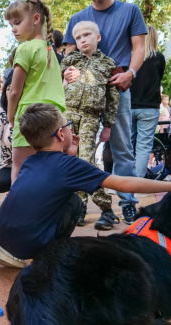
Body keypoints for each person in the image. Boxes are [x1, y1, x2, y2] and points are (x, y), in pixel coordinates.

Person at [0, 103, 171, 268]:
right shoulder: (69, 166)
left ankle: (12, 246)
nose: (71, 129)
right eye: (69, 125)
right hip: (28, 243)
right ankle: (46, 257)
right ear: (61, 134)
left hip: (3, 231)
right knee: (75, 202)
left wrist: (69, 153)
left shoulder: (31, 161)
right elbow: (123, 183)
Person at [63, 0, 147, 224]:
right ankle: (77, 205)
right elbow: (68, 55)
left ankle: (127, 203)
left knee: (121, 149)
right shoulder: (78, 17)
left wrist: (131, 73)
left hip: (116, 84)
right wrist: (66, 73)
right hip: (80, 99)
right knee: (76, 152)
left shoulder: (130, 11)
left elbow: (139, 47)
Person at [60, 21, 119, 230]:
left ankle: (106, 209)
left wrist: (108, 125)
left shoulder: (108, 64)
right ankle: (79, 207)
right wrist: (64, 78)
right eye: (78, 37)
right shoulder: (69, 60)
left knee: (85, 162)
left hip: (91, 117)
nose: (83, 40)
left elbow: (112, 98)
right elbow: (57, 87)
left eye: (87, 35)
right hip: (67, 115)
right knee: (68, 161)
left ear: (98, 38)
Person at [5, 0, 66, 185]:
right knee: (49, 172)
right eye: (11, 24)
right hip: (55, 118)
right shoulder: (50, 51)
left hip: (29, 115)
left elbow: (15, 91)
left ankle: (20, 210)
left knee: (20, 169)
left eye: (17, 22)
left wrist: (10, 116)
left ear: (36, 19)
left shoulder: (25, 49)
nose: (13, 29)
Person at [131, 26, 165, 179]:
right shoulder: (158, 58)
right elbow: (159, 79)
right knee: (144, 146)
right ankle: (138, 182)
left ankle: (123, 182)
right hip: (150, 108)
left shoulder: (130, 57)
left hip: (129, 105)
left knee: (127, 145)